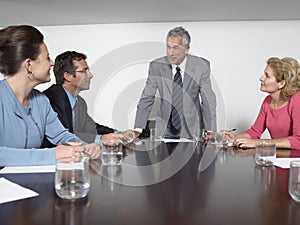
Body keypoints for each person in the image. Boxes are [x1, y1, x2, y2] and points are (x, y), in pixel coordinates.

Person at [0, 25, 100, 166]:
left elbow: (61, 136)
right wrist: (52, 155)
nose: (52, 63)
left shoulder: (41, 101)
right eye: (47, 58)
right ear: (29, 65)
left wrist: (84, 147)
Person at [134, 26, 217, 139]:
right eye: (168, 47)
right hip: (164, 129)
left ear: (187, 48)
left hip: (192, 129)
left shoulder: (201, 66)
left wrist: (210, 130)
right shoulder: (156, 66)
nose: (170, 53)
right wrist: (138, 129)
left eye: (176, 48)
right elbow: (147, 97)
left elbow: (208, 100)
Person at [42, 51, 120, 147]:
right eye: (84, 71)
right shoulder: (51, 98)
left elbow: (91, 128)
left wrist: (118, 133)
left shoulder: (79, 102)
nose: (90, 75)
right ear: (67, 76)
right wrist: (101, 139)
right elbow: (65, 134)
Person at [227, 57, 300, 150]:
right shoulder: (268, 101)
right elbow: (255, 132)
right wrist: (235, 139)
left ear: (281, 83)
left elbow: (298, 141)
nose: (261, 78)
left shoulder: (297, 100)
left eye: (267, 76)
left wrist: (258, 143)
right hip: (278, 159)